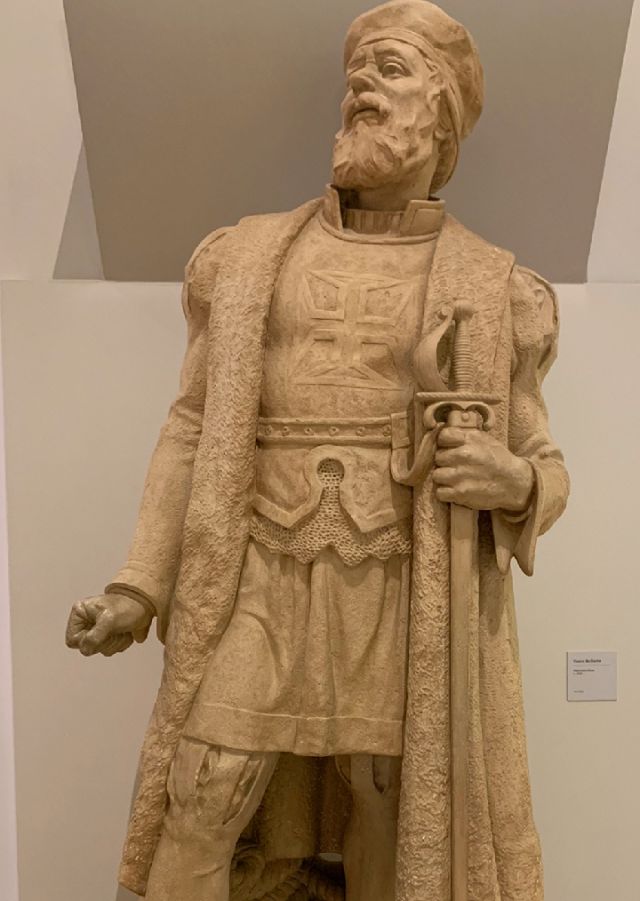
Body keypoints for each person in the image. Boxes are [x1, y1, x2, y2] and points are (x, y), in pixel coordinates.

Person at [65, 3, 569, 900]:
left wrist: (515, 480)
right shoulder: (249, 256)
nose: (360, 85)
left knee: (389, 793)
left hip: (400, 574)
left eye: (391, 69)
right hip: (260, 565)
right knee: (205, 782)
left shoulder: (495, 287)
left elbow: (542, 460)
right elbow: (192, 423)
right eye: (356, 74)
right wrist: (137, 585)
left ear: (443, 117)